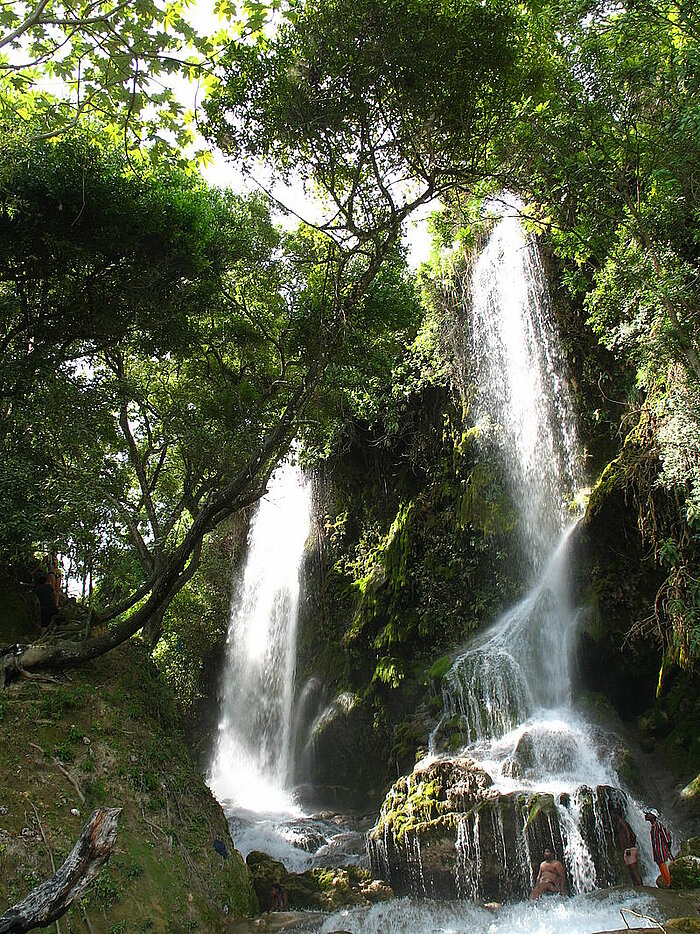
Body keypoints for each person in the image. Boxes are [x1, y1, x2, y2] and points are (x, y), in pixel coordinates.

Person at [614, 810, 643, 887]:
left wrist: (629, 847)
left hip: (629, 849)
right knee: (632, 872)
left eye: (613, 814)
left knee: (634, 871)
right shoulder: (623, 822)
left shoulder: (621, 822)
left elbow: (628, 834)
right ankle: (637, 887)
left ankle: (641, 887)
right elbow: (633, 835)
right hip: (630, 849)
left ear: (616, 814)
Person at [645, 808, 672, 887]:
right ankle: (667, 883)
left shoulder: (659, 825)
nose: (646, 815)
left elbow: (667, 839)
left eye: (648, 814)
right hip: (657, 851)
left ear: (653, 816)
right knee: (660, 864)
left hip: (661, 850)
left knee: (663, 864)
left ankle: (669, 883)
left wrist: (667, 849)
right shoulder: (653, 827)